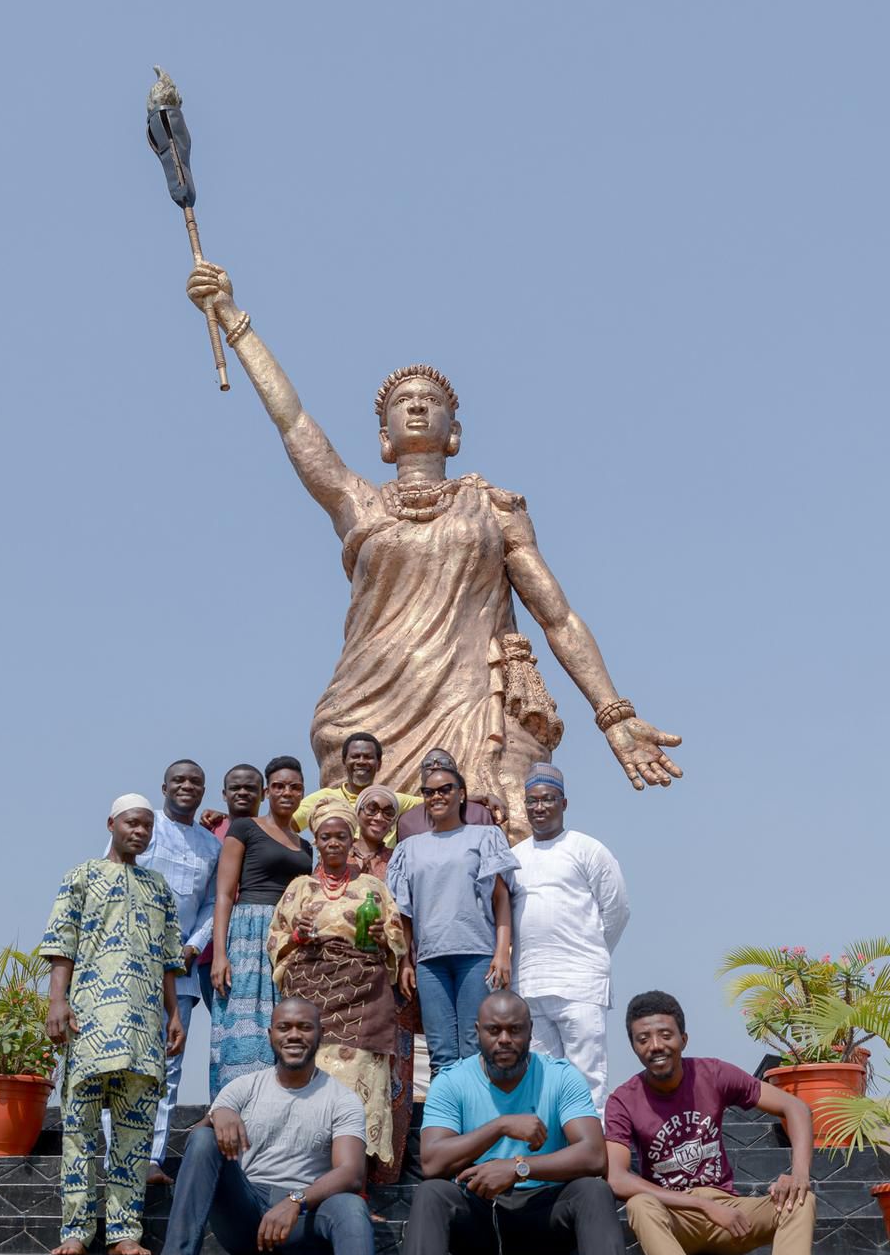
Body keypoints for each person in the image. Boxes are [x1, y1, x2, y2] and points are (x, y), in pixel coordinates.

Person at [185, 261, 683, 836]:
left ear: (454, 432)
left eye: (430, 399)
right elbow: (293, 423)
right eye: (401, 401)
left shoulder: (495, 509)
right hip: (368, 706)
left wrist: (612, 714)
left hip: (476, 701)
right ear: (382, 438)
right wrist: (233, 320)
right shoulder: (358, 503)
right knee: (361, 845)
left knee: (508, 826)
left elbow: (558, 615)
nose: (416, 404)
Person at [393, 991, 664, 1255]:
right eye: (494, 1030)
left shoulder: (559, 1075)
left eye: (514, 1030)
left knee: (593, 1190)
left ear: (530, 1032)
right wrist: (500, 1127)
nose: (504, 1039)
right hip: (479, 1216)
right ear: (478, 1033)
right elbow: (432, 1162)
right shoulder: (453, 1081)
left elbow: (594, 1156)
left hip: (546, 1214)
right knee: (432, 1194)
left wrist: (518, 1167)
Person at [149, 998, 400, 1255]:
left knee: (351, 1205)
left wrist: (296, 1201)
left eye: (304, 1027)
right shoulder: (243, 1088)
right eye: (285, 1027)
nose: (294, 1035)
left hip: (304, 1218)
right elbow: (199, 1145)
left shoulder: (341, 1099)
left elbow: (350, 1172)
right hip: (245, 1211)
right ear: (270, 1035)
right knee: (202, 1141)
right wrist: (219, 1114)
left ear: (320, 1035)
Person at [606, 991, 815, 1255]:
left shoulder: (713, 1074)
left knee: (801, 1201)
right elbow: (617, 1177)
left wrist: (799, 1172)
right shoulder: (624, 1099)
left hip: (731, 1215)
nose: (655, 1046)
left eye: (665, 1035)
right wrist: (701, 1206)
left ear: (683, 1039)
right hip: (676, 1219)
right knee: (638, 1206)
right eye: (643, 1038)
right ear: (633, 1045)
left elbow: (795, 1107)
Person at [39, 794, 185, 1255]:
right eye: (131, 823)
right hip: (90, 1022)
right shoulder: (81, 876)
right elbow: (63, 942)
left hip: (143, 1029)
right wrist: (57, 1000)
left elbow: (168, 959)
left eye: (146, 826)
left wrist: (175, 1014)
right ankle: (76, 1232)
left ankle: (124, 1232)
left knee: (133, 1135)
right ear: (112, 824)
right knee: (79, 1129)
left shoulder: (160, 888)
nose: (139, 831)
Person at [268, 796, 406, 1169]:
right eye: (325, 836)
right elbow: (276, 940)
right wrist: (296, 936)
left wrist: (380, 935)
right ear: (316, 841)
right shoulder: (298, 888)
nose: (332, 843)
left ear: (351, 839)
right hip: (311, 995)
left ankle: (355, 1183)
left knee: (361, 1084)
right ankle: (308, 1175)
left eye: (340, 836)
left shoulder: (373, 889)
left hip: (362, 995)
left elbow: (396, 939)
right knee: (312, 1082)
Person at [112, 760, 221, 1185]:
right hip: (128, 964)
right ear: (163, 786)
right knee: (123, 1061)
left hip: (181, 970)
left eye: (195, 782)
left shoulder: (210, 846)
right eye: (179, 780)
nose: (186, 787)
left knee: (167, 1068)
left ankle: (152, 1157)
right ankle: (114, 1155)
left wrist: (195, 944)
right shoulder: (142, 827)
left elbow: (212, 903)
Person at [509, 763, 629, 1118]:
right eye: (532, 801)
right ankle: (553, 1156)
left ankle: (592, 1159)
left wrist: (590, 954)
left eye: (547, 799)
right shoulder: (514, 856)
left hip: (580, 982)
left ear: (564, 803)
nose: (539, 807)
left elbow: (617, 910)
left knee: (586, 1076)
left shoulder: (588, 849)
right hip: (529, 983)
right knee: (541, 1080)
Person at [386, 759, 516, 1075]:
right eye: (429, 792)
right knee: (440, 1053)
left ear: (461, 794)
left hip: (476, 954)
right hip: (430, 961)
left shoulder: (485, 837)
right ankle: (447, 1123)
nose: (437, 796)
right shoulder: (409, 848)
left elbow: (501, 898)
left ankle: (479, 1122)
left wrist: (502, 952)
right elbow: (405, 912)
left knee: (475, 1049)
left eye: (445, 789)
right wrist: (405, 961)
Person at [210, 757, 313, 1094]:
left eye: (295, 787)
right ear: (267, 791)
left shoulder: (306, 845)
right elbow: (224, 894)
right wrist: (220, 954)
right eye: (280, 786)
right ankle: (235, 1101)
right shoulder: (245, 828)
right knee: (245, 1022)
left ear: (302, 793)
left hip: (287, 938)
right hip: (248, 931)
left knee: (285, 1020)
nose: (287, 792)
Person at [351, 785, 422, 1183]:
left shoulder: (399, 860)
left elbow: (409, 915)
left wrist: (406, 959)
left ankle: (387, 1175)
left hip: (392, 978)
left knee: (397, 1072)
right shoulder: (335, 853)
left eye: (387, 812)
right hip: (347, 985)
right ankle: (350, 1172)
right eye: (371, 808)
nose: (378, 816)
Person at [196, 763, 265, 1002]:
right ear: (224, 794)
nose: (242, 792)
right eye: (235, 788)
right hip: (212, 949)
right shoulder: (208, 831)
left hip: (258, 943)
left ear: (263, 793)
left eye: (250, 788)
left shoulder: (273, 833)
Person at [292, 732, 420, 843]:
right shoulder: (324, 799)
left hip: (381, 870)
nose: (361, 761)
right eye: (355, 756)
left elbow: (435, 803)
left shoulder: (392, 802)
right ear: (343, 761)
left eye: (368, 757)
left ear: (379, 764)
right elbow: (283, 825)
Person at [396, 749, 497, 841]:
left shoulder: (480, 814)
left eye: (444, 762)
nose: (435, 766)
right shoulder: (407, 821)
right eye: (428, 764)